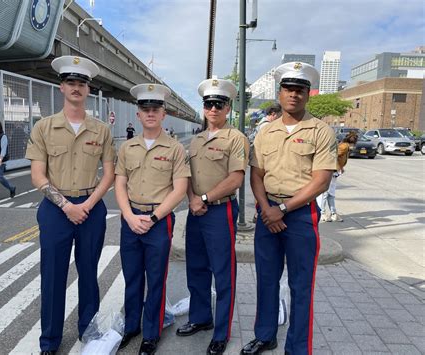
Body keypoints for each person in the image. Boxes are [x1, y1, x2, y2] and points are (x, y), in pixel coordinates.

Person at [243, 62, 337, 355]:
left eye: (300, 90)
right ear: (280, 93)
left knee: (301, 285)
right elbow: (256, 175)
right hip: (267, 211)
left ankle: (297, 348)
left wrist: (281, 209)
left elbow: (321, 181)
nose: (293, 95)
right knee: (266, 279)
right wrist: (265, 208)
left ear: (308, 94)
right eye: (288, 89)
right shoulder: (265, 132)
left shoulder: (321, 131)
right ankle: (265, 335)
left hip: (299, 215)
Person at [25, 55, 116, 355]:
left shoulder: (101, 130)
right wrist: (66, 206)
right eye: (70, 82)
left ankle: (89, 331)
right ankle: (50, 341)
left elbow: (109, 174)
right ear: (61, 87)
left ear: (88, 89)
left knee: (89, 272)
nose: (76, 88)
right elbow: (38, 175)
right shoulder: (44, 128)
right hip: (55, 209)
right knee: (52, 276)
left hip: (91, 206)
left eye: (82, 83)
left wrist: (87, 204)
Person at [115, 83, 190, 355]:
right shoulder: (126, 148)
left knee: (156, 279)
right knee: (132, 277)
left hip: (159, 221)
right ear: (138, 114)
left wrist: (154, 217)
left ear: (163, 114)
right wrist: (128, 215)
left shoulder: (175, 149)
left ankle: (152, 332)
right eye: (145, 108)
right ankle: (131, 326)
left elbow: (180, 188)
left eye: (155, 109)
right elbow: (120, 183)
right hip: (130, 219)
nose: (150, 113)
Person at [176, 76, 249, 355]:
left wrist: (204, 198)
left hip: (221, 211)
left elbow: (236, 179)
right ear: (204, 108)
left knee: (223, 273)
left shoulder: (235, 138)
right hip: (196, 211)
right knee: (196, 268)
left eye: (219, 104)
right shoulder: (195, 140)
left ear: (228, 108)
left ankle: (221, 332)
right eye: (209, 104)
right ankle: (200, 318)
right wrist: (193, 199)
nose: (214, 109)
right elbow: (187, 175)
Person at [319, 131, 358, 222]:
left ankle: (332, 213)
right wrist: (339, 167)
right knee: (326, 193)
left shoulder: (344, 145)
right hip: (332, 171)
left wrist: (340, 167)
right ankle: (322, 213)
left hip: (334, 171)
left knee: (330, 194)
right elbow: (333, 156)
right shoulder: (344, 146)